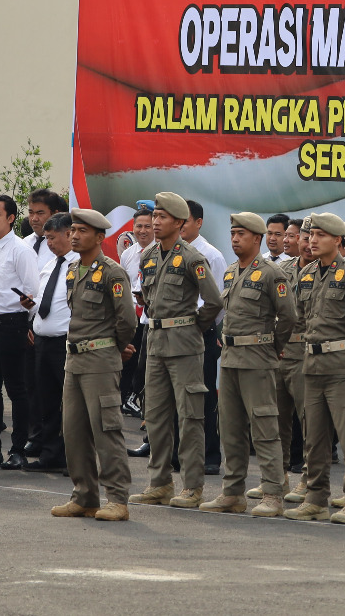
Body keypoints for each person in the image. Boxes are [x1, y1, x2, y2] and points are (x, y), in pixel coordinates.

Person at [284, 212, 345, 525]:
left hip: (342, 366)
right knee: (314, 437)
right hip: (312, 365)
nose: (312, 240)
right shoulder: (307, 273)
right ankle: (315, 499)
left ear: (338, 241)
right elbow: (299, 315)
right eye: (310, 235)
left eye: (320, 235)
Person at [130, 191, 223, 509]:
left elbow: (214, 301)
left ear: (180, 222)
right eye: (154, 216)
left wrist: (193, 326)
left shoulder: (193, 258)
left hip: (184, 345)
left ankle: (192, 486)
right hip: (154, 342)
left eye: (162, 217)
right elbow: (145, 295)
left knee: (190, 415)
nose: (155, 222)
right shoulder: (148, 256)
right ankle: (160, 483)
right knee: (155, 415)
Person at [202, 211, 297, 516]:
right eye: (232, 233)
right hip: (229, 360)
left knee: (265, 427)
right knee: (229, 428)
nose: (234, 239)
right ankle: (233, 493)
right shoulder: (230, 272)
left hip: (257, 359)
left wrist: (273, 348)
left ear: (256, 238)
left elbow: (289, 318)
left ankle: (272, 493)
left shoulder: (272, 273)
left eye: (241, 234)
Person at [51, 208, 137, 521]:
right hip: (74, 359)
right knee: (73, 431)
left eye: (82, 231)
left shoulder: (112, 272)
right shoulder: (74, 269)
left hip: (100, 360)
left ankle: (117, 499)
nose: (74, 235)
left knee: (106, 430)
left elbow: (127, 318)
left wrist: (114, 347)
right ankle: (85, 495)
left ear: (99, 237)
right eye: (72, 230)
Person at [0, 195, 39, 470]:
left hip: (11, 322)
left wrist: (27, 317)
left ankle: (18, 449)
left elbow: (32, 291)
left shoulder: (20, 250)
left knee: (16, 389)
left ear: (11, 218)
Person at [27, 213, 79, 472]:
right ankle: (50, 454)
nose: (48, 243)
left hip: (66, 343)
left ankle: (75, 458)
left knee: (71, 403)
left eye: (52, 237)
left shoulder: (81, 265)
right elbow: (45, 301)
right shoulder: (50, 265)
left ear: (69, 233)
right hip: (43, 342)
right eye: (45, 238)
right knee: (45, 401)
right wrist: (31, 310)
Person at [183, 199, 228, 474]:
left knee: (206, 396)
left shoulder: (211, 255)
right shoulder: (168, 252)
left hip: (201, 333)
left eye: (184, 220)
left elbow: (217, 301)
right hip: (174, 336)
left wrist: (201, 327)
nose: (180, 225)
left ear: (198, 223)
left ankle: (211, 456)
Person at [274, 214, 309, 493]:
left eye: (295, 236)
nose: (289, 240)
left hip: (308, 352)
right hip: (281, 350)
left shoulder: (330, 271)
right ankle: (279, 477)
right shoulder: (282, 269)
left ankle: (308, 479)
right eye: (290, 235)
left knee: (310, 420)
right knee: (278, 419)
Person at [118, 200, 154, 417]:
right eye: (138, 226)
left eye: (147, 226)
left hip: (150, 317)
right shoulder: (128, 254)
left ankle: (140, 400)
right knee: (128, 361)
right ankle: (126, 400)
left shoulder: (160, 253)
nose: (142, 231)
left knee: (145, 365)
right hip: (132, 317)